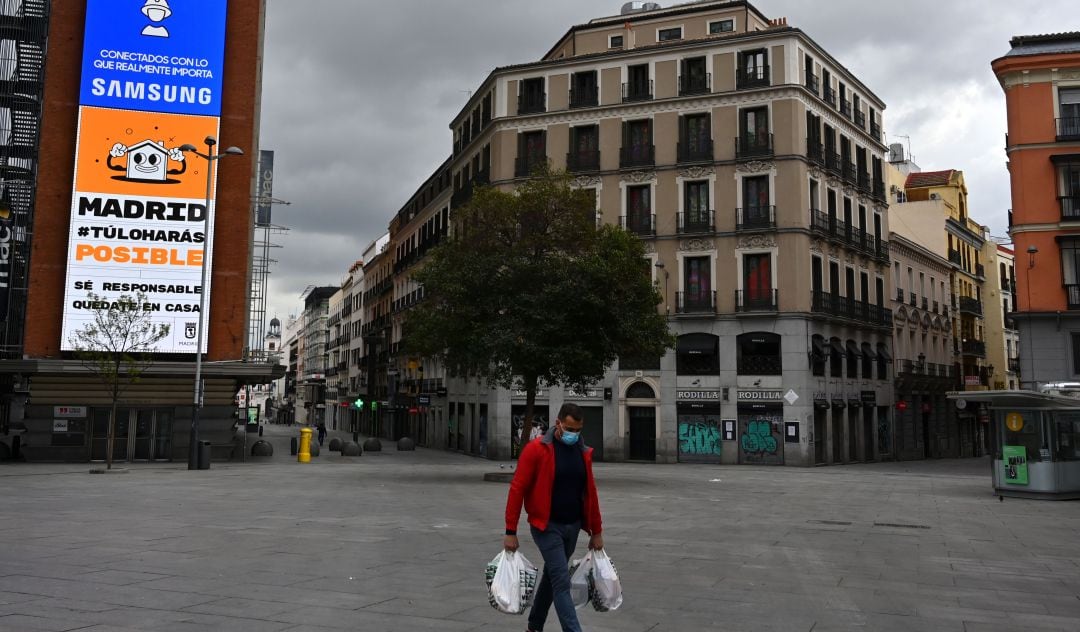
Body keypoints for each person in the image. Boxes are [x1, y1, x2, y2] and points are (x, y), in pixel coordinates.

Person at [504, 403, 603, 632]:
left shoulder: (582, 451)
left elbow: (590, 491)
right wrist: (510, 531)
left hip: (573, 526)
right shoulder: (536, 449)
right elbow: (517, 488)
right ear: (558, 422)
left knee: (552, 575)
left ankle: (534, 626)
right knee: (561, 581)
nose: (573, 434)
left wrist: (596, 531)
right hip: (546, 526)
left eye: (578, 429)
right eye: (569, 428)